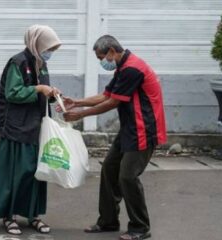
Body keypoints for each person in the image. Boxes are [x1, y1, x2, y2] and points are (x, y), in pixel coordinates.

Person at [58, 35, 167, 240]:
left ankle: (140, 228)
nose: (101, 62)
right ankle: (108, 221)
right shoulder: (123, 66)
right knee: (109, 168)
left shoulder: (132, 69)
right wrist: (76, 102)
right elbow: (106, 95)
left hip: (144, 130)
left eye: (101, 57)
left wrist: (80, 114)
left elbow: (112, 103)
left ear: (111, 51)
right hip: (130, 128)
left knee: (127, 177)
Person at [0, 25, 62, 235]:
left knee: (36, 173)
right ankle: (9, 216)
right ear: (36, 43)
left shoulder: (42, 64)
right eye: (49, 47)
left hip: (37, 127)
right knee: (15, 173)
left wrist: (52, 93)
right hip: (17, 128)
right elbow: (12, 93)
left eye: (53, 49)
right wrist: (38, 89)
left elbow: (42, 91)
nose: (50, 52)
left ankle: (33, 215)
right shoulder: (18, 63)